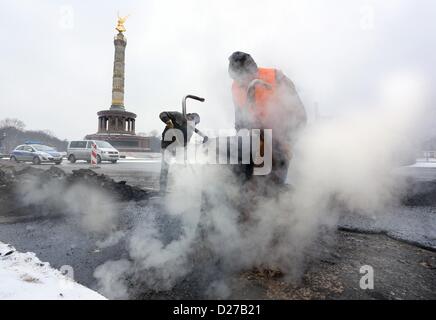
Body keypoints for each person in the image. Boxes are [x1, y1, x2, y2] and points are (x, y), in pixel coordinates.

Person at [228, 51, 307, 185]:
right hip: (256, 143)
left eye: (243, 78)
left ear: (253, 71)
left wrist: (288, 142)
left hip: (280, 141)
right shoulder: (236, 87)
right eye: (238, 80)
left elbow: (299, 115)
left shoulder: (276, 78)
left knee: (273, 187)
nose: (242, 83)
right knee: (247, 184)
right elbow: (240, 121)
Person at [159, 111, 206, 193]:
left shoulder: (190, 128)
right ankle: (162, 189)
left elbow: (188, 139)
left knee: (182, 166)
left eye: (195, 123)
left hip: (178, 147)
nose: (193, 124)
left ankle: (181, 187)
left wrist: (204, 137)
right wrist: (167, 121)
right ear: (189, 116)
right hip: (167, 145)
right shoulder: (178, 116)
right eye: (192, 120)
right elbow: (162, 114)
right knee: (165, 168)